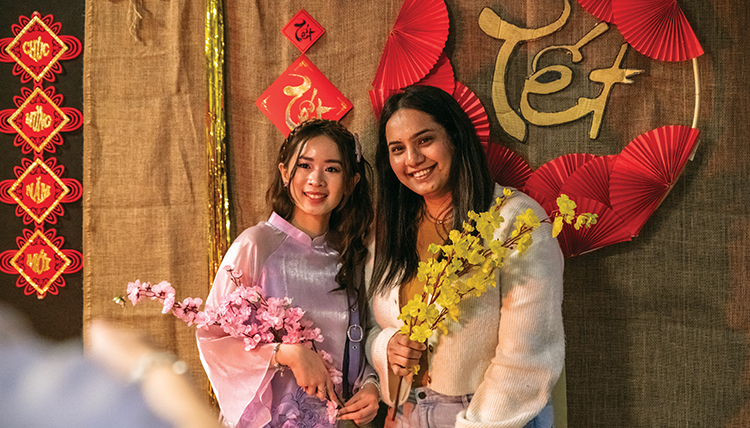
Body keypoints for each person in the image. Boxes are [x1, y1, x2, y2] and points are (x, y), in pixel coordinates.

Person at [366, 85, 564, 428]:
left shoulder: (514, 220)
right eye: (397, 149)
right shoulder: (390, 229)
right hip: (408, 411)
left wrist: (478, 423)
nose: (411, 159)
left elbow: (529, 353)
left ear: (455, 137)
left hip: (489, 416)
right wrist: (386, 347)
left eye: (424, 140)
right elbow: (373, 325)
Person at [197, 119, 380, 428]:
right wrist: (286, 353)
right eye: (305, 166)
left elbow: (364, 336)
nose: (316, 180)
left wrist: (372, 386)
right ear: (284, 173)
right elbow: (212, 338)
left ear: (351, 182)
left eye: (332, 169)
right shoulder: (256, 245)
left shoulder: (352, 255)